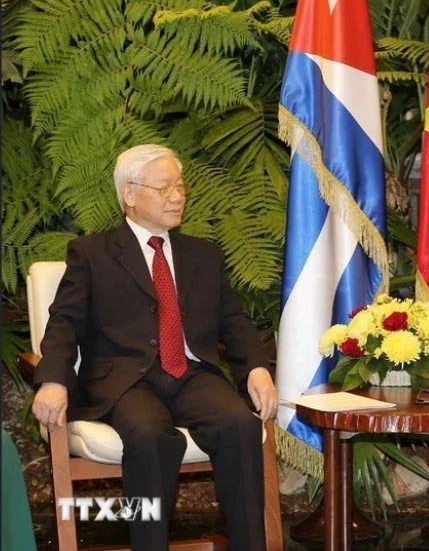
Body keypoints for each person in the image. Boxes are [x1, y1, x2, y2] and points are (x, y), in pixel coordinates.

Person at [31, 144, 277, 551]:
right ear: (129, 193)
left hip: (192, 375)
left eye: (180, 187)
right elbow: (64, 323)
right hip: (126, 381)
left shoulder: (203, 254)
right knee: (150, 436)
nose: (177, 196)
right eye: (164, 189)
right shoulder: (92, 253)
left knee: (240, 424)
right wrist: (53, 380)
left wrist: (256, 367)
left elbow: (233, 320)